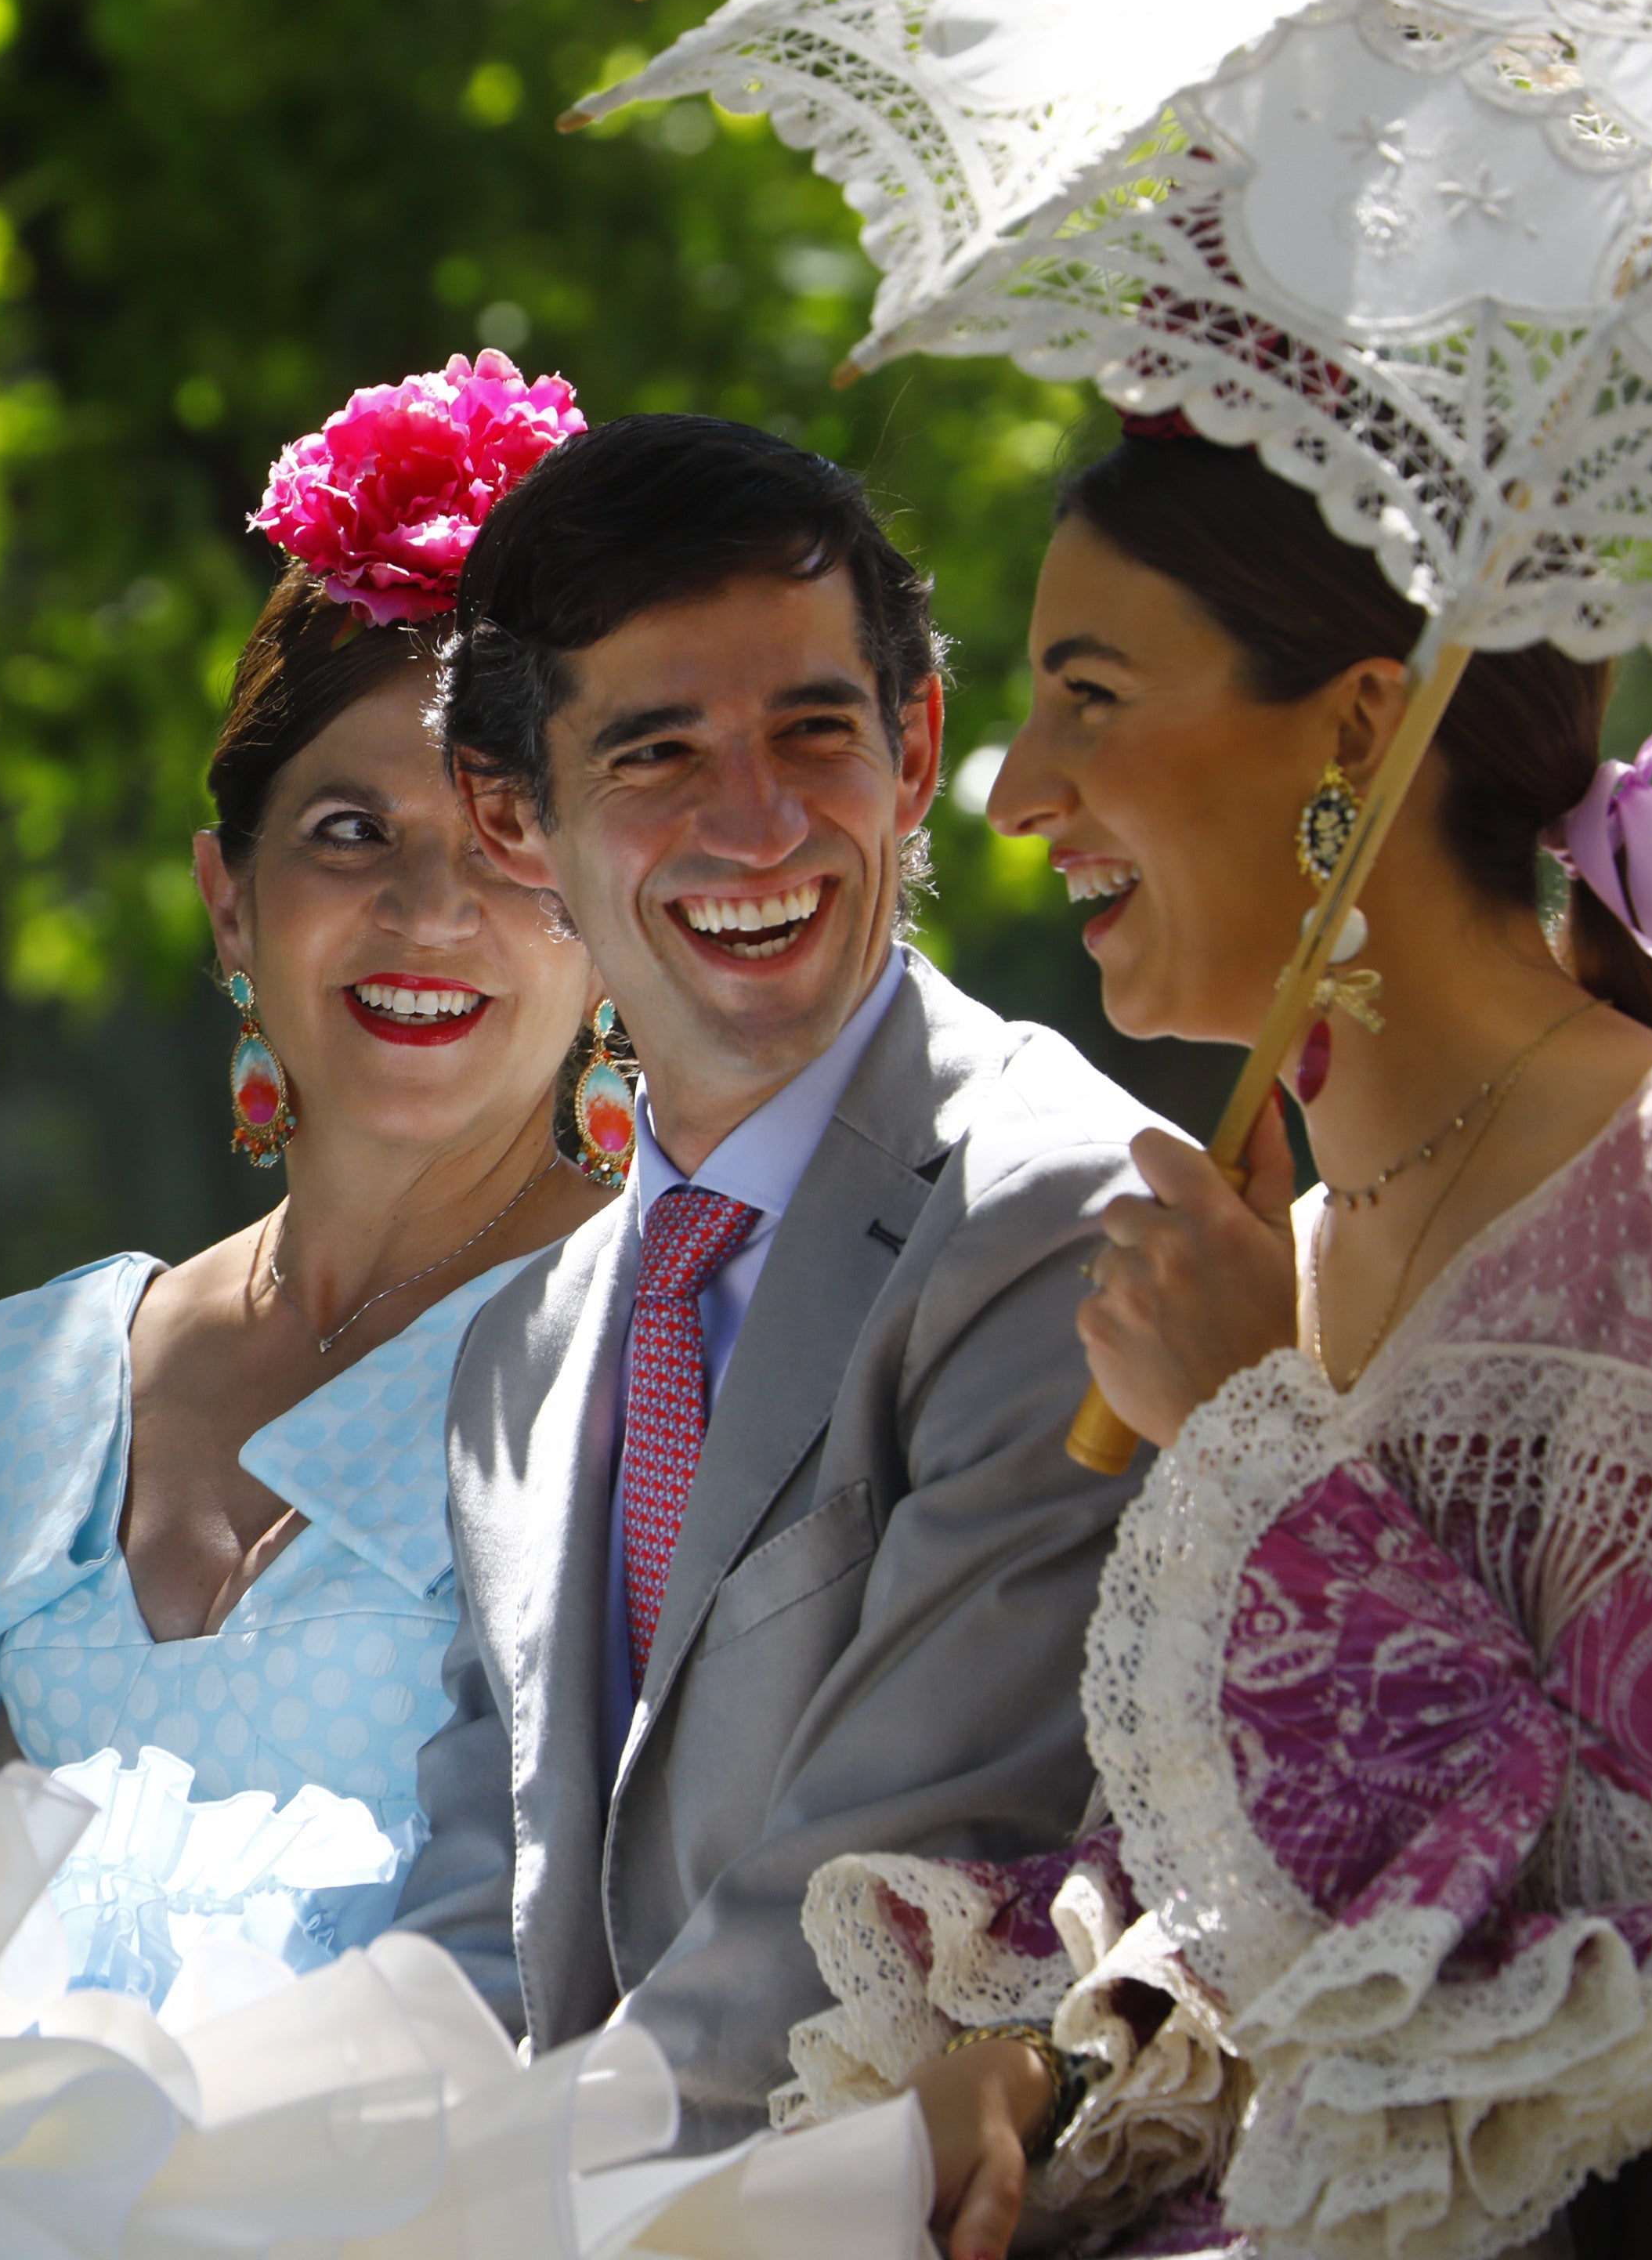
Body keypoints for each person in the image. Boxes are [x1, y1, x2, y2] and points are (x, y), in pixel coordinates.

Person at [783, 422, 1652, 2260]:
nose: (1014, 790)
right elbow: (1278, 1913)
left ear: (1364, 729)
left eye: (1092, 697)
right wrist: (1039, 2068)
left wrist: (1247, 1443)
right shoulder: (1281, 1259)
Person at [393, 411, 1166, 2150]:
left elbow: (897, 1900)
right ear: (512, 818)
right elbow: (465, 1939)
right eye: (658, 755)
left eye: (815, 731)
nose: (757, 826)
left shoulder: (1051, 1220)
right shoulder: (518, 1357)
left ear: (915, 751)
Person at [0, 355, 614, 1988]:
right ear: (230, 900)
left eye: (507, 840)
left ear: (607, 913)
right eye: (350, 832)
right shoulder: (36, 1376)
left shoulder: (654, 1345)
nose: (429, 911)